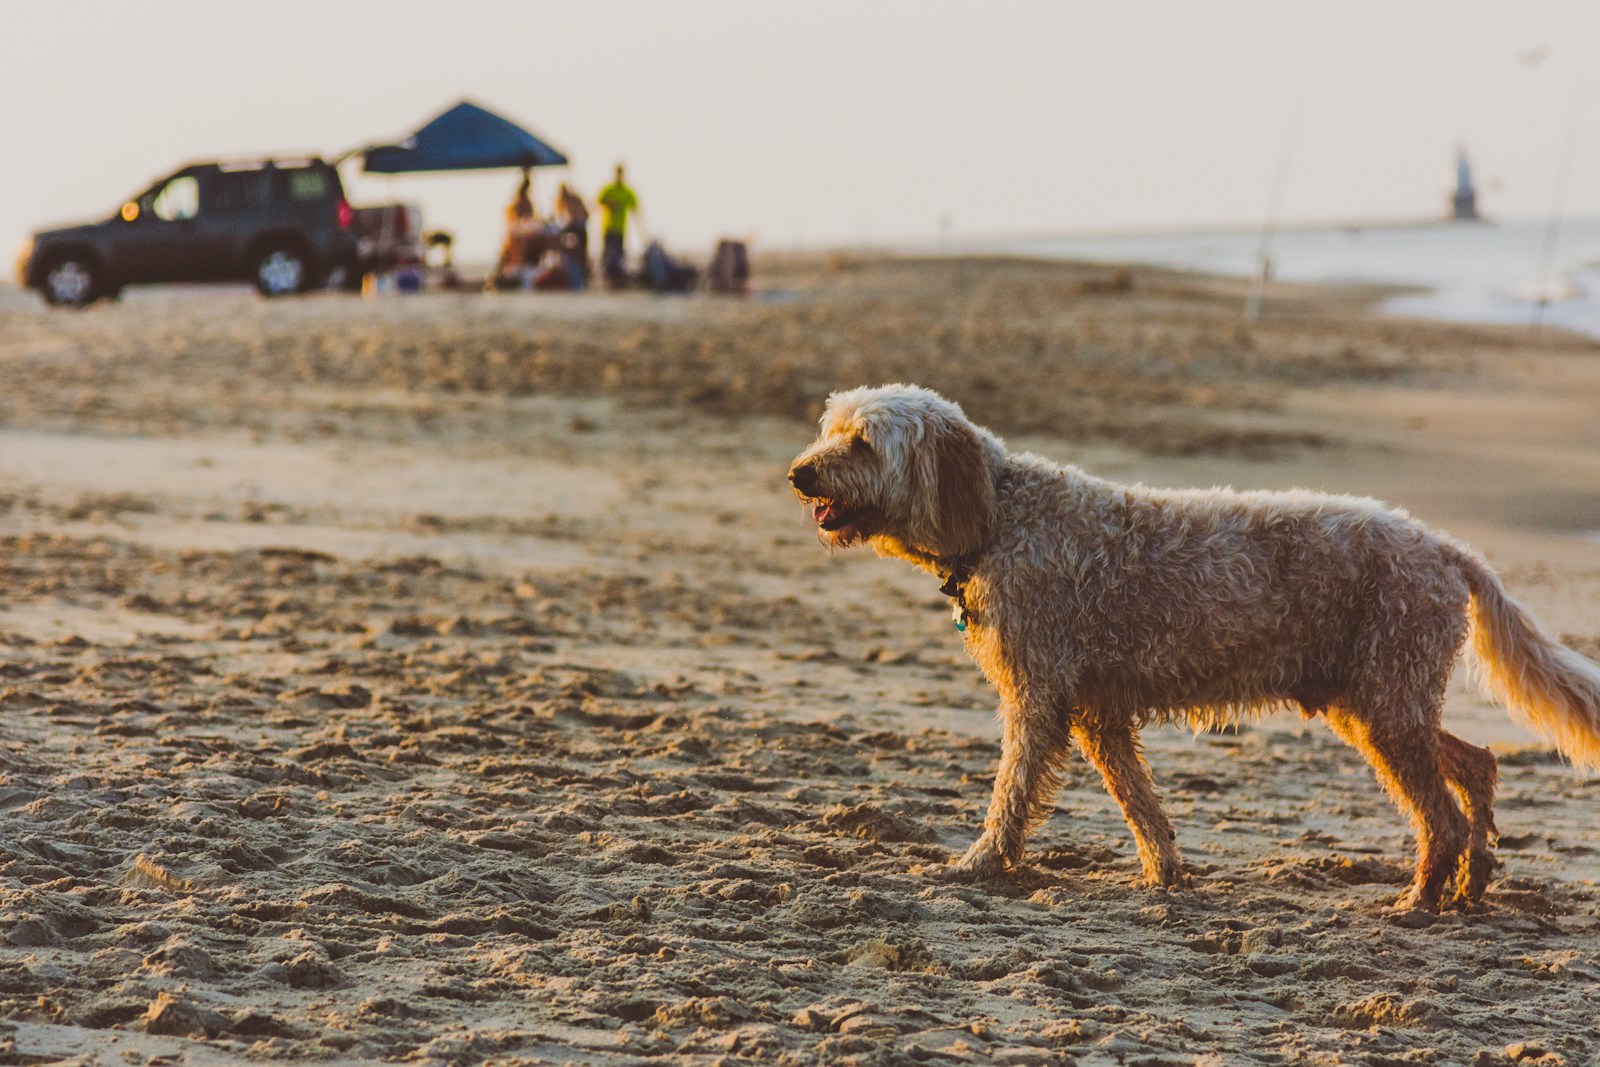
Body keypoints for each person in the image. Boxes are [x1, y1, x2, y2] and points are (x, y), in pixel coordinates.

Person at [597, 164, 639, 288]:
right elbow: (598, 202)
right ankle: (607, 279)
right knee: (608, 254)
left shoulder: (627, 191)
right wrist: (609, 204)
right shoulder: (608, 189)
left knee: (619, 254)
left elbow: (635, 209)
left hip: (621, 228)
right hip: (607, 227)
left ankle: (617, 280)